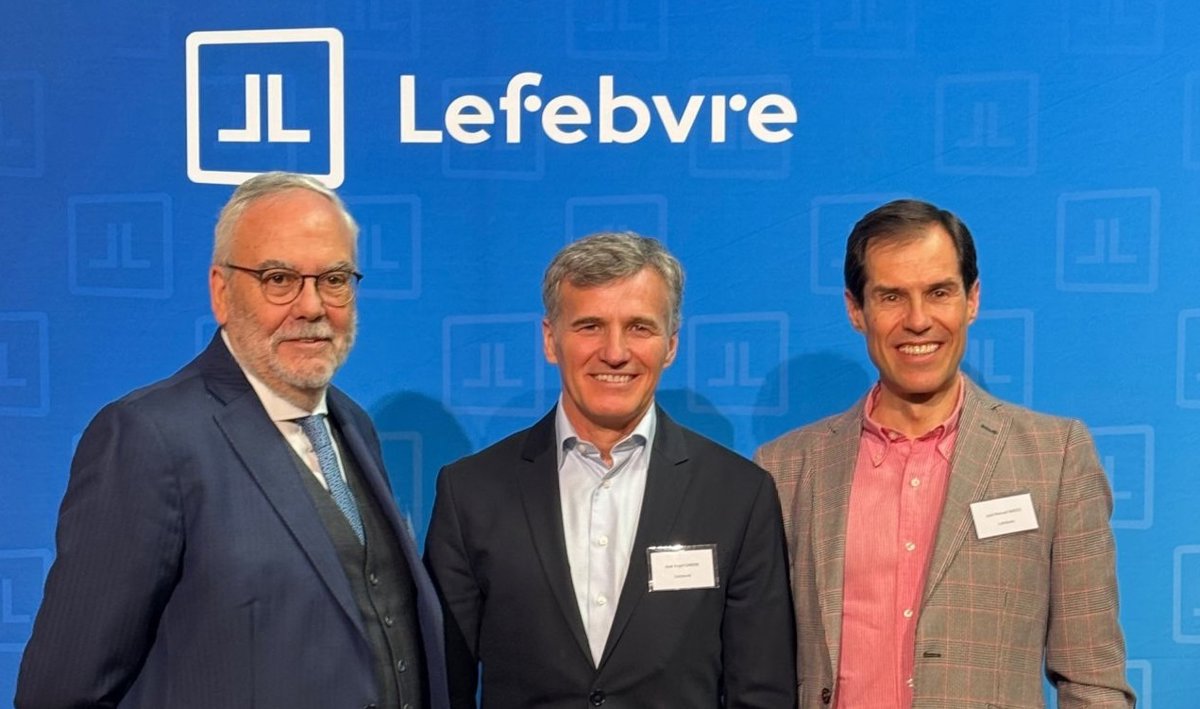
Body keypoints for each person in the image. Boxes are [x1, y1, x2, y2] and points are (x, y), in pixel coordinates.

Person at [16, 172, 449, 709]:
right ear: (221, 292)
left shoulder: (352, 424)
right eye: (279, 279)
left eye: (334, 279)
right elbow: (61, 691)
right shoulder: (148, 438)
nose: (312, 306)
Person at [756, 199, 1135, 708]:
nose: (918, 320)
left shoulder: (1055, 457)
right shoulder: (785, 469)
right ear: (855, 310)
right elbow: (756, 671)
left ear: (971, 299)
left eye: (939, 292)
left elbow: (1093, 681)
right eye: (891, 296)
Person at [425, 232, 796, 708]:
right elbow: (442, 686)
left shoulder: (738, 493)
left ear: (671, 345)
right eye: (590, 326)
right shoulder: (470, 492)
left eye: (639, 327)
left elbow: (762, 692)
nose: (615, 352)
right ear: (550, 340)